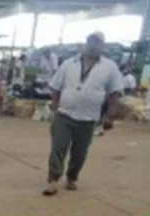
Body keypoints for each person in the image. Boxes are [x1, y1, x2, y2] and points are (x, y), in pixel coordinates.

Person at [44, 32, 123, 196]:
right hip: (64, 114)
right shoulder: (68, 64)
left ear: (102, 46)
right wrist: (56, 107)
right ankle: (52, 179)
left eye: (98, 43)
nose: (93, 45)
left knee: (80, 152)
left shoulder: (109, 67)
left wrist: (110, 115)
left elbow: (115, 93)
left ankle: (72, 177)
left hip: (89, 118)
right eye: (91, 41)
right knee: (58, 147)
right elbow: (55, 87)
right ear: (85, 44)